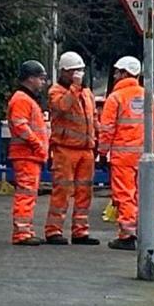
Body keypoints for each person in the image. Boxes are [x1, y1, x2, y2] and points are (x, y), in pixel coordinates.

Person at [42, 51, 99, 244]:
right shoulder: (56, 91)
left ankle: (80, 231)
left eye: (80, 71)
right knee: (62, 191)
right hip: (65, 149)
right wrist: (75, 88)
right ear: (64, 72)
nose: (78, 75)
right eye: (74, 71)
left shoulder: (87, 93)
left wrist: (96, 140)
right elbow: (62, 107)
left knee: (85, 192)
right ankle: (53, 230)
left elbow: (93, 119)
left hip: (86, 149)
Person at [99, 56, 149, 250]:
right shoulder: (148, 96)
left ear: (125, 73)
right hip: (145, 157)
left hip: (122, 157)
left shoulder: (116, 97)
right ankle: (144, 232)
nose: (115, 75)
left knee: (125, 195)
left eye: (118, 72)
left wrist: (103, 152)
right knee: (142, 195)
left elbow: (107, 128)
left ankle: (128, 234)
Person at [5, 61, 51, 245]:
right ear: (30, 78)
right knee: (26, 194)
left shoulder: (24, 99)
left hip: (29, 155)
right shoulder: (22, 100)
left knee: (29, 194)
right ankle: (22, 233)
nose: (43, 83)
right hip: (27, 155)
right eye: (40, 79)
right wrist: (38, 144)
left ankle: (25, 231)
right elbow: (20, 126)